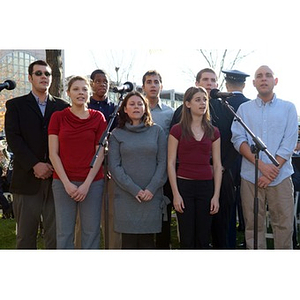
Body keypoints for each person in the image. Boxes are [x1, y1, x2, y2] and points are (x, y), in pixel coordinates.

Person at [231, 65, 298, 249]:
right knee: (253, 227)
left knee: (284, 226)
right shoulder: (244, 109)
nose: (264, 78)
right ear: (253, 83)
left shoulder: (288, 108)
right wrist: (262, 166)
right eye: (259, 76)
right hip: (251, 177)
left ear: (275, 81)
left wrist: (272, 171)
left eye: (268, 75)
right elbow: (238, 139)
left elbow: (290, 141)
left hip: (281, 177)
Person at [4, 60, 69, 249]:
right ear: (30, 78)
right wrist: (35, 164)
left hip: (56, 180)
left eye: (47, 74)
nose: (44, 77)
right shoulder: (15, 105)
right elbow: (14, 140)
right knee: (25, 237)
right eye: (39, 73)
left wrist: (51, 165)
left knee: (56, 236)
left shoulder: (63, 107)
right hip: (26, 179)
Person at [170, 67, 237, 249]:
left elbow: (224, 155)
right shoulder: (179, 122)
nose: (210, 83)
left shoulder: (219, 120)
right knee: (188, 236)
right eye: (205, 80)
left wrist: (217, 190)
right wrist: (176, 190)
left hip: (211, 182)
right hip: (185, 181)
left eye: (213, 80)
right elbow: (172, 159)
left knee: (210, 233)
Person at [48, 76, 107, 249]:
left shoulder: (98, 118)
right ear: (68, 93)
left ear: (89, 93)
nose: (80, 92)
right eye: (76, 89)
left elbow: (100, 153)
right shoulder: (58, 117)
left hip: (92, 183)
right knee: (64, 232)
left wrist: (86, 184)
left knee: (91, 231)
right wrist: (67, 183)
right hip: (62, 182)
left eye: (84, 89)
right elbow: (53, 153)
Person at [108, 91, 167, 249]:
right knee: (128, 244)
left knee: (148, 243)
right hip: (126, 197)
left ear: (145, 108)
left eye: (140, 104)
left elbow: (163, 163)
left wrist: (151, 189)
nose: (136, 107)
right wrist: (134, 190)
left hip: (151, 196)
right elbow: (114, 166)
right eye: (132, 104)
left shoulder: (157, 132)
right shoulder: (116, 134)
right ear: (125, 109)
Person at [168, 86, 222, 249]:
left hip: (206, 187)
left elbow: (218, 165)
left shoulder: (214, 131)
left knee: (203, 237)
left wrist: (216, 196)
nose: (203, 103)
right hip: (184, 187)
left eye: (205, 99)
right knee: (187, 238)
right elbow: (170, 163)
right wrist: (176, 194)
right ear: (188, 104)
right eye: (198, 100)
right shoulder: (177, 130)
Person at [87, 69, 121, 249]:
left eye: (105, 81)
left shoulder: (116, 109)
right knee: (85, 215)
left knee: (112, 214)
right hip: (87, 165)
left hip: (110, 166)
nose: (102, 84)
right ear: (91, 83)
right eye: (98, 81)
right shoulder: (85, 106)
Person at [142, 70, 174, 249]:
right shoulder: (135, 109)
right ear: (143, 86)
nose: (153, 85)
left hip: (164, 170)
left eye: (156, 82)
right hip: (141, 169)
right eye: (149, 82)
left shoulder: (170, 113)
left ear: (161, 86)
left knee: (164, 213)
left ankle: (163, 246)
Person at [222, 69, 250, 248]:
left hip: (226, 162)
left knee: (228, 207)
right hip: (249, 161)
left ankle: (229, 242)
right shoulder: (251, 105)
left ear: (226, 84)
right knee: (249, 208)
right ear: (244, 84)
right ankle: (249, 241)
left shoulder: (220, 104)